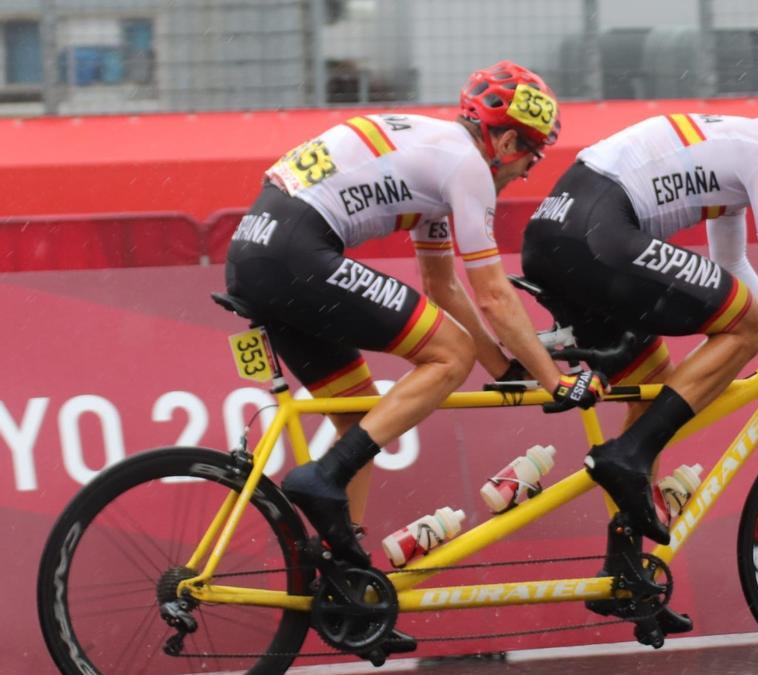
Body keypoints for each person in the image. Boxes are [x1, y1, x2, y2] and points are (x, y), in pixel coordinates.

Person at [224, 61, 606, 570]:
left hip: (260, 249)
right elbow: (491, 294)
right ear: (509, 143)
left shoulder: (437, 153)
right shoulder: (468, 168)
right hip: (294, 251)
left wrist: (505, 369)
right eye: (533, 154)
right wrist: (555, 381)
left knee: (357, 412)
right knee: (450, 353)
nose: (529, 170)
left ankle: (345, 571)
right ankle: (324, 475)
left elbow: (442, 286)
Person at [521, 65, 758, 548]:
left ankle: (628, 573)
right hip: (595, 231)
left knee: (653, 381)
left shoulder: (745, 148)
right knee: (744, 326)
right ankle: (626, 457)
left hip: (556, 231)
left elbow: (732, 263)